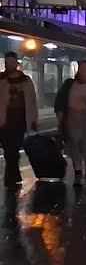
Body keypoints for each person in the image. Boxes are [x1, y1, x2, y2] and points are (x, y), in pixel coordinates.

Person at [0, 51, 38, 190]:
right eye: (7, 62)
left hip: (21, 118)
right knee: (8, 148)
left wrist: (33, 119)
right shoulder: (1, 80)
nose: (8, 65)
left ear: (16, 63)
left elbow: (32, 101)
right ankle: (13, 175)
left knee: (14, 147)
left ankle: (11, 176)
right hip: (4, 119)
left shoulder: (26, 81)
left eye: (11, 62)